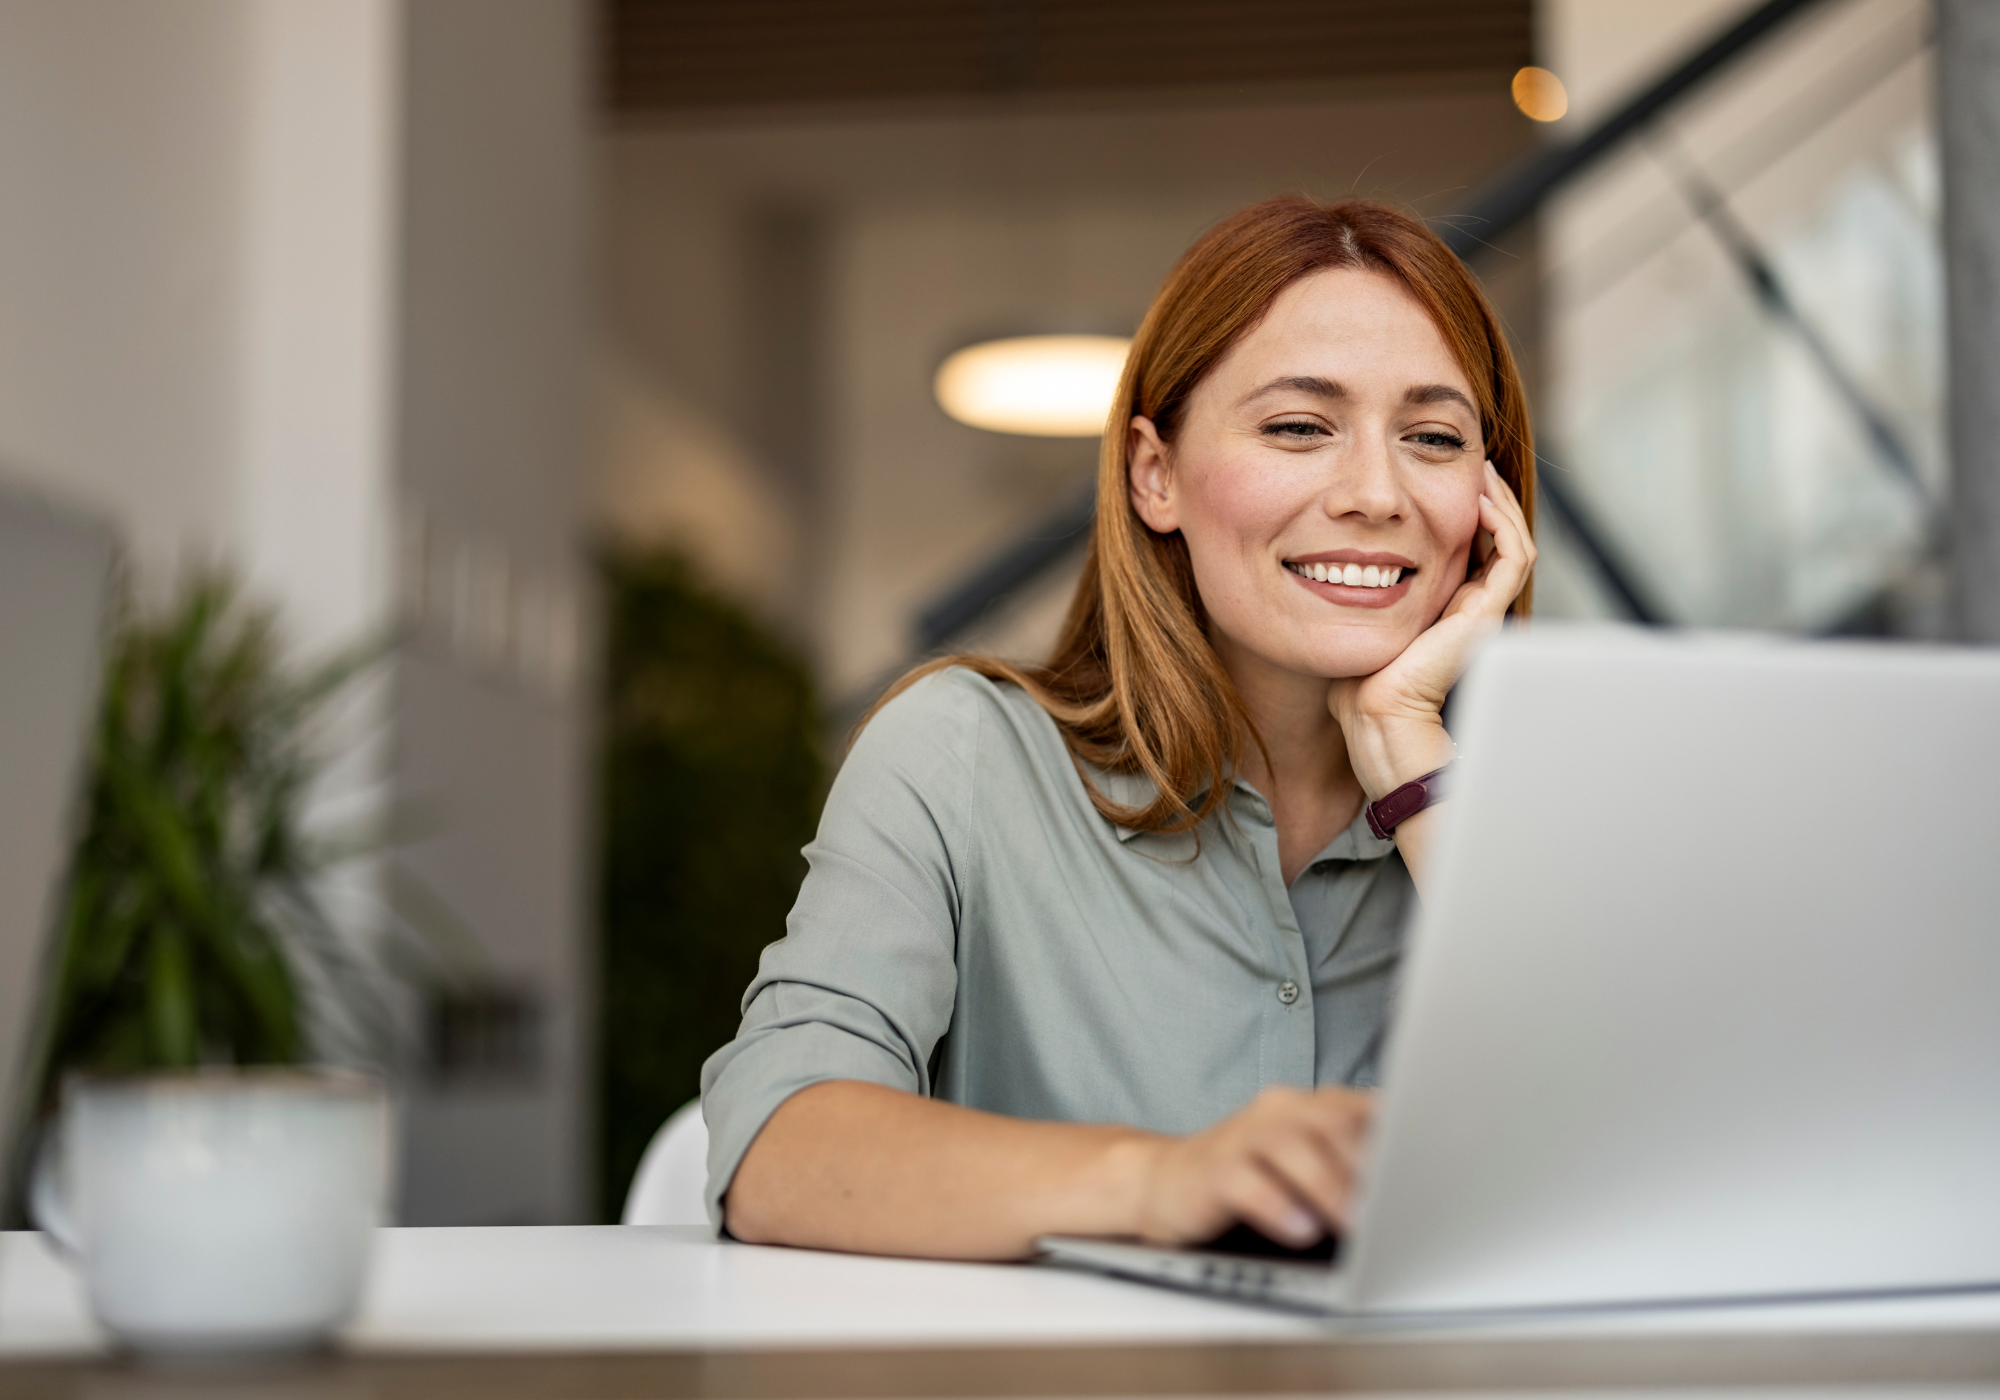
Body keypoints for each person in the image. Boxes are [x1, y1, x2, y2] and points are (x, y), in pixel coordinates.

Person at [700, 194, 1536, 1260]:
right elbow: (779, 1144)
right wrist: (1161, 1178)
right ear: (1155, 474)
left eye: (1431, 437)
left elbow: (1655, 1170)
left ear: (1489, 498)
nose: (1376, 491)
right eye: (1296, 425)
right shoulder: (961, 755)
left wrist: (1414, 760)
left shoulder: (1532, 802)